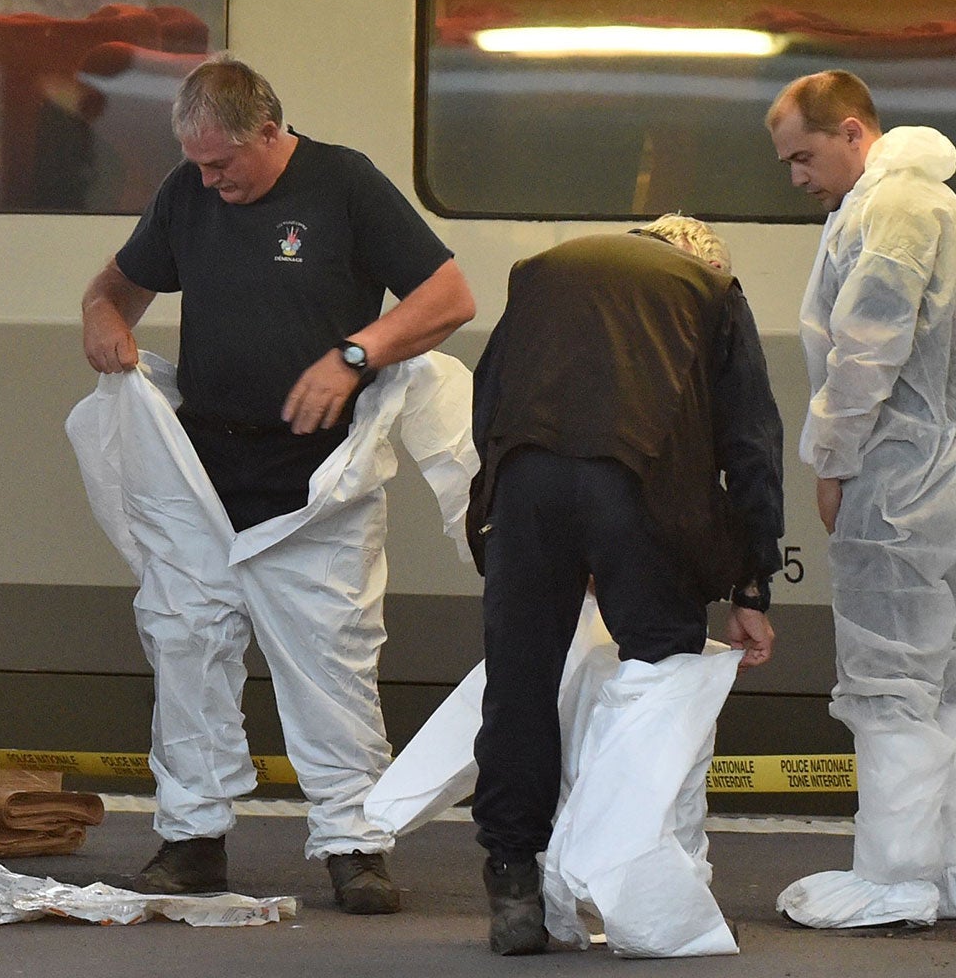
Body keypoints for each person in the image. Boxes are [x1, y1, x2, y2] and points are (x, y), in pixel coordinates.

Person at [79, 56, 477, 911]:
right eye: (198, 163)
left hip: (315, 481)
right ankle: (190, 838)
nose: (211, 179)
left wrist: (356, 355)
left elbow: (449, 296)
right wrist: (103, 319)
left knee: (330, 661)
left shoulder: (343, 184)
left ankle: (353, 840)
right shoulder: (189, 193)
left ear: (270, 131)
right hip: (206, 475)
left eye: (224, 162)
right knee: (186, 647)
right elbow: (114, 286)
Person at [464, 216, 782, 955]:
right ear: (701, 258)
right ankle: (636, 884)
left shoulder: (544, 271)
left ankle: (514, 884)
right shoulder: (711, 289)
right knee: (658, 678)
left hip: (526, 482)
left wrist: (511, 518)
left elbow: (490, 400)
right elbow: (750, 442)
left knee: (520, 678)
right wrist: (751, 585)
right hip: (641, 491)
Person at [767, 72, 956, 929]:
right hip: (940, 472)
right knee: (942, 675)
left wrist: (830, 456)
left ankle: (898, 875)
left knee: (887, 677)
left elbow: (867, 345)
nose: (796, 176)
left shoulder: (894, 210)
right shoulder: (918, 205)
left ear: (853, 131)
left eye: (803, 155)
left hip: (897, 474)